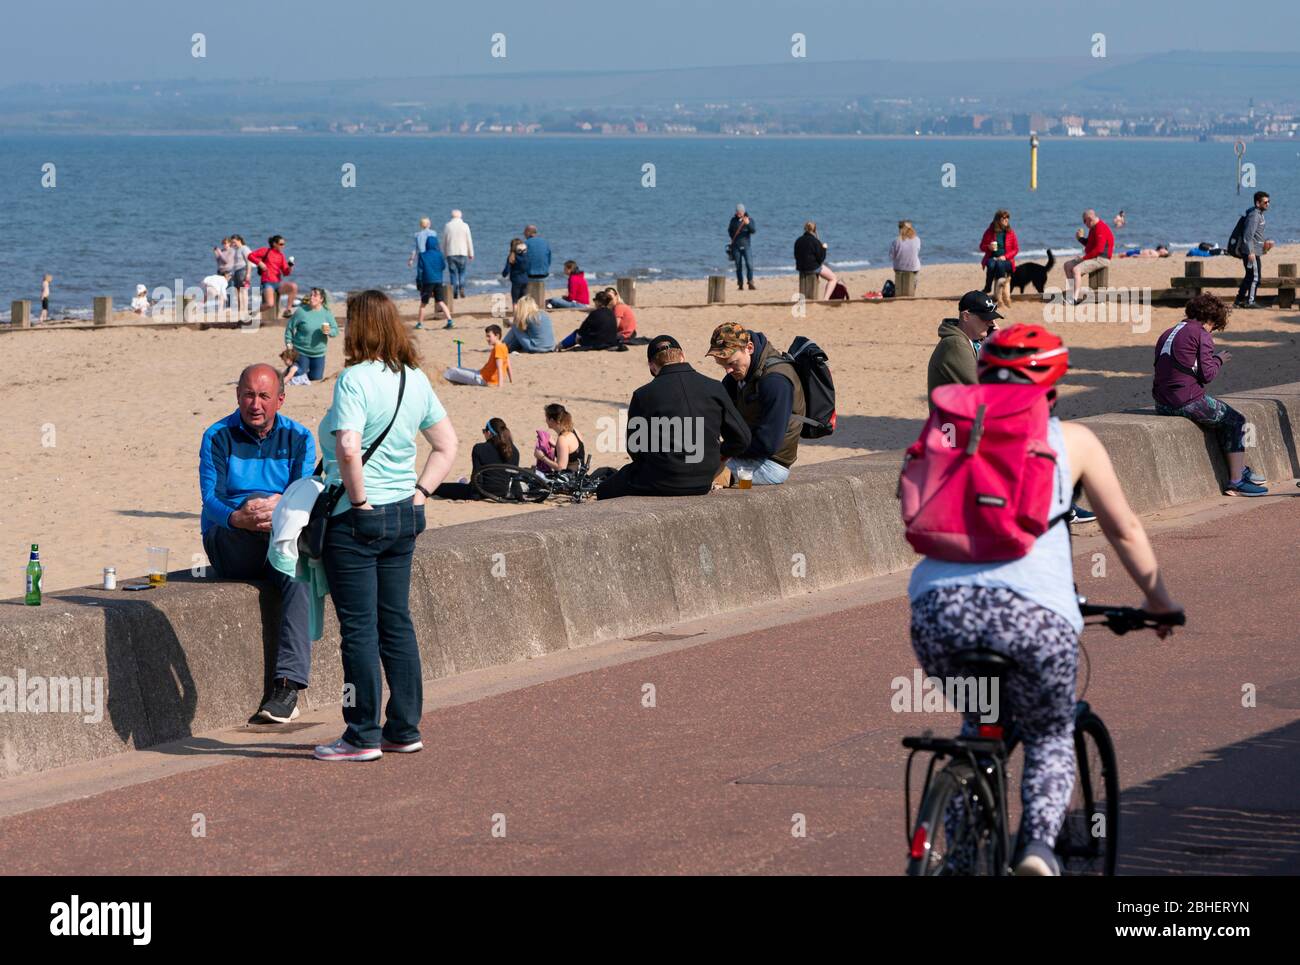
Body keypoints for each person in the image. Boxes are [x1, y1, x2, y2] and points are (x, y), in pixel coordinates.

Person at [909, 323, 1182, 875]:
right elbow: (1123, 529)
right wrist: (1157, 600)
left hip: (938, 611)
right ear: (1053, 384)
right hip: (1034, 618)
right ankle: (1037, 849)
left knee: (979, 726)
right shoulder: (1073, 440)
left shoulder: (947, 430)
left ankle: (957, 856)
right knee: (1050, 734)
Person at [313, 290, 458, 761]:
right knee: (397, 623)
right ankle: (404, 727)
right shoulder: (414, 378)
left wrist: (358, 502)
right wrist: (420, 494)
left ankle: (361, 734)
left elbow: (349, 447)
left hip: (360, 519)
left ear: (358, 328)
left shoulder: (353, 378)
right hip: (404, 514)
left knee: (358, 629)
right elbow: (447, 445)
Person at [199, 363, 317, 724]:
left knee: (299, 572)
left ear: (280, 399)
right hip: (231, 540)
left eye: (264, 396)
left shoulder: (300, 438)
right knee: (262, 533)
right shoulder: (217, 436)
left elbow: (306, 494)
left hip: (279, 536)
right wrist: (239, 516)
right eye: (248, 394)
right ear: (237, 396)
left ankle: (286, 688)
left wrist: (280, 508)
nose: (255, 403)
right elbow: (211, 499)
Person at [596, 335, 751, 500]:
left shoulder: (643, 395)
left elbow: (634, 448)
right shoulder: (714, 387)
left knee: (604, 490)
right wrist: (720, 453)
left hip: (662, 478)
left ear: (652, 366)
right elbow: (742, 437)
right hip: (705, 478)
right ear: (682, 356)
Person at [1152, 293, 1267, 496]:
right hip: (1185, 400)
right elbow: (1208, 375)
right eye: (1215, 326)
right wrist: (1218, 359)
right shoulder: (1201, 334)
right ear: (1211, 320)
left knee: (1218, 419)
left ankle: (1239, 468)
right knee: (1235, 420)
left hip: (1161, 402)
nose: (1213, 330)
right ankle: (1236, 481)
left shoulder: (1168, 332)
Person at [707, 322, 805, 485]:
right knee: (694, 462)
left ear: (749, 348)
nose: (728, 370)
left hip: (771, 465)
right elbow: (717, 412)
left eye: (731, 362)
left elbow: (767, 443)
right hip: (745, 453)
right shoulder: (739, 373)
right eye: (722, 364)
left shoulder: (775, 381)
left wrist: (723, 451)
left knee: (701, 475)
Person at [926, 291, 1002, 410]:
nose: (991, 323)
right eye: (985, 318)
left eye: (991, 318)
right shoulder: (955, 344)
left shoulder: (973, 342)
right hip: (953, 425)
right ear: (966, 316)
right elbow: (982, 390)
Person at [432, 418, 518, 500]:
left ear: (489, 433)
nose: (484, 434)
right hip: (503, 493)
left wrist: (475, 497)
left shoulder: (479, 448)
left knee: (439, 487)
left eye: (484, 431)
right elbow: (514, 478)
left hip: (482, 493)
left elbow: (477, 476)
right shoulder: (514, 451)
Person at [283, 288, 337, 382]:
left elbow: (335, 330)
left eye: (315, 295)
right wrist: (288, 344)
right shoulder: (301, 311)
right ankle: (291, 370)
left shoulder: (327, 313)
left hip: (319, 353)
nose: (312, 298)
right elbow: (289, 328)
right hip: (301, 351)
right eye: (311, 295)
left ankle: (293, 369)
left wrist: (329, 332)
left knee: (315, 377)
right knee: (299, 373)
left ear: (321, 299)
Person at [1062, 209, 1114, 304]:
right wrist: (1080, 238)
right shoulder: (1092, 229)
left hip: (1102, 258)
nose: (1084, 224)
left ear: (1089, 219)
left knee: (1076, 270)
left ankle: (1074, 298)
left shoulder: (1100, 227)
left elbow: (1099, 249)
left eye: (1084, 221)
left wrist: (1083, 258)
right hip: (1093, 257)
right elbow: (1090, 246)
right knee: (1067, 265)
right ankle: (1072, 294)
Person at [1235, 191, 1273, 309]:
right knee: (1255, 278)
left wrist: (1265, 244)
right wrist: (1251, 251)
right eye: (1265, 202)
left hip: (1255, 251)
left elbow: (1256, 235)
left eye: (1269, 201)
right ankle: (1250, 302)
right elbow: (1248, 236)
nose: (1268, 204)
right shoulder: (1254, 216)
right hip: (1251, 253)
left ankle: (1239, 301)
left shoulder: (1259, 214)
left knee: (1250, 277)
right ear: (1258, 203)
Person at [443, 324, 512, 387]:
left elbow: (499, 368)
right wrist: (511, 380)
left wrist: (500, 386)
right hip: (481, 374)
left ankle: (442, 376)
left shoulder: (498, 348)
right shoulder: (504, 346)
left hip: (482, 379)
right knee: (459, 369)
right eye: (486, 336)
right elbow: (508, 365)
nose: (487, 339)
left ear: (497, 336)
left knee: (453, 370)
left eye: (489, 336)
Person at [247, 235, 299, 318]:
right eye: (281, 244)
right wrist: (259, 263)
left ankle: (287, 310)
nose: (283, 246)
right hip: (267, 283)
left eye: (284, 244)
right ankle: (253, 313)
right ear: (274, 244)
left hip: (278, 284)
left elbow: (285, 273)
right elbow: (250, 256)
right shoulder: (265, 251)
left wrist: (290, 267)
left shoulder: (281, 256)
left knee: (293, 287)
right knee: (269, 304)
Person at [979, 210, 1018, 308]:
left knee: (1000, 264)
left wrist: (1005, 256)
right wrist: (988, 247)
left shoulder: (1010, 232)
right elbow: (981, 246)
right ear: (998, 219)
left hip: (1007, 260)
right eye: (1003, 218)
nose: (1006, 220)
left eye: (1007, 218)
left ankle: (999, 295)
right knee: (991, 264)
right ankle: (988, 287)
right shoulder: (990, 231)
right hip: (992, 257)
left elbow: (1016, 249)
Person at [414, 233, 454, 330]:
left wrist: (419, 282)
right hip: (438, 280)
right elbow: (443, 266)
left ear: (426, 244)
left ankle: (419, 323)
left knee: (423, 303)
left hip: (427, 281)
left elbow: (420, 270)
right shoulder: (439, 255)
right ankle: (450, 320)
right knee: (440, 301)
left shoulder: (423, 255)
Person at [534, 403, 586, 474]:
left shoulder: (563, 439)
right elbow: (573, 452)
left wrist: (542, 457)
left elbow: (561, 468)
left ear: (551, 420)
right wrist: (556, 446)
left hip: (570, 480)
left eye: (546, 417)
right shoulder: (574, 431)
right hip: (580, 476)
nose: (545, 420)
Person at [794, 222, 838, 300]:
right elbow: (821, 259)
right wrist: (824, 249)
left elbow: (796, 255)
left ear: (805, 229)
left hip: (801, 268)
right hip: (812, 267)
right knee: (833, 278)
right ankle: (826, 299)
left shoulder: (798, 240)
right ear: (815, 230)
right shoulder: (815, 241)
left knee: (816, 267)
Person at [442, 209, 475, 298]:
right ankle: (462, 288)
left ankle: (454, 291)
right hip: (462, 252)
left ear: (452, 216)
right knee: (462, 272)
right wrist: (471, 253)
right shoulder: (465, 226)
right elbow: (469, 240)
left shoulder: (448, 226)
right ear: (460, 216)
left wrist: (444, 253)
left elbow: (444, 241)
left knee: (453, 273)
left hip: (451, 253)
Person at [728, 204, 756, 290]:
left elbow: (753, 230)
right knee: (738, 266)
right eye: (737, 212)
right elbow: (729, 231)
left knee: (749, 265)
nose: (739, 213)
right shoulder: (733, 220)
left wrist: (748, 224)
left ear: (743, 212)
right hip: (736, 247)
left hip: (747, 246)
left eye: (740, 212)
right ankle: (740, 284)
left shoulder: (749, 220)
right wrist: (733, 238)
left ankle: (750, 282)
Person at [890, 220, 922, 295]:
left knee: (899, 266)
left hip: (899, 268)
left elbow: (891, 256)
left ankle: (900, 290)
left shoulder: (896, 240)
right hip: (913, 268)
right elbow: (917, 251)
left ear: (900, 229)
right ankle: (912, 289)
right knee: (916, 264)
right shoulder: (917, 239)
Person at [230, 234, 253, 322]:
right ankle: (240, 309)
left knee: (244, 291)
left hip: (243, 271)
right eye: (232, 243)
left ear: (239, 240)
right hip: (236, 272)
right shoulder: (236, 250)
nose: (233, 244)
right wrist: (232, 273)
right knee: (237, 292)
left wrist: (248, 274)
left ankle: (245, 310)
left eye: (234, 242)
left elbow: (249, 261)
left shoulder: (244, 248)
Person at [501, 237, 530, 304]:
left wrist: (504, 274)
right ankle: (523, 313)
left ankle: (516, 314)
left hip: (516, 281)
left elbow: (507, 269)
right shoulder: (526, 256)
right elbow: (528, 267)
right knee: (523, 300)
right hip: (525, 280)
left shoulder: (512, 256)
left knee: (515, 301)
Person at [214, 239, 236, 307]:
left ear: (229, 243)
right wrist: (216, 253)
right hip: (220, 272)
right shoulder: (222, 251)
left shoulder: (232, 251)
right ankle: (221, 306)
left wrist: (220, 253)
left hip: (227, 272)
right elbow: (219, 261)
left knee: (228, 289)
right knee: (220, 289)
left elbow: (226, 261)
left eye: (226, 243)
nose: (224, 245)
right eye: (223, 244)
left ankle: (229, 306)